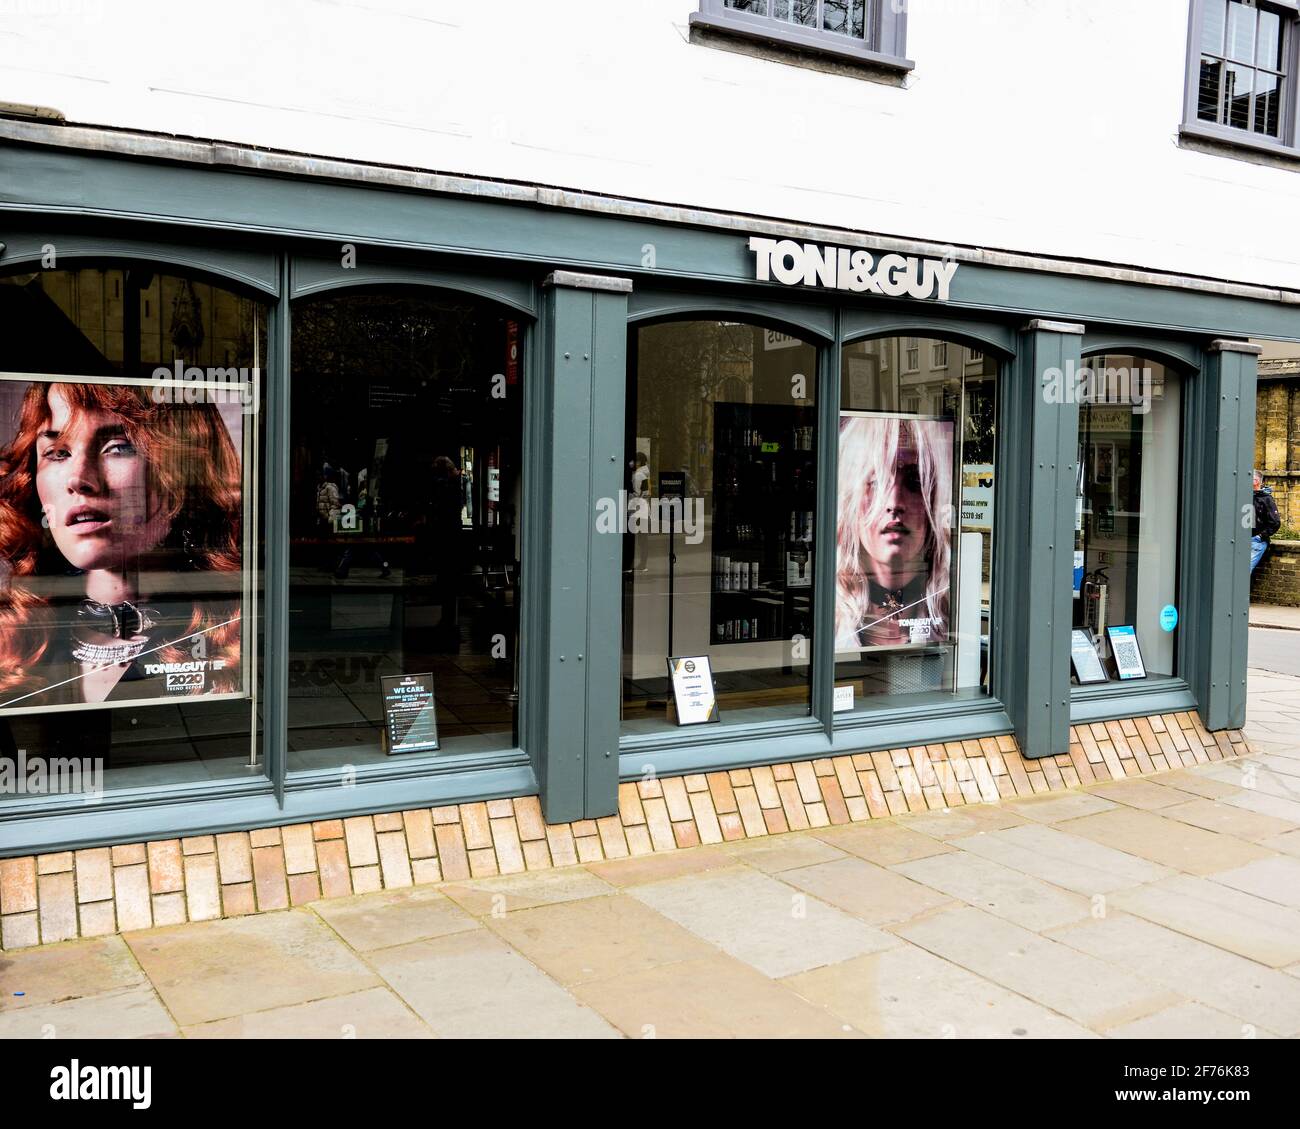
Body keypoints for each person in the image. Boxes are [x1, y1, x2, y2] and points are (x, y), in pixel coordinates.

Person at [0, 380, 243, 708]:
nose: (78, 479)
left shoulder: (241, 637)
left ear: (186, 472)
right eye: (57, 453)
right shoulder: (15, 640)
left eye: (118, 447)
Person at [835, 416, 952, 649]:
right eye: (876, 482)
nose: (894, 502)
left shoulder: (949, 612)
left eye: (914, 481)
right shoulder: (827, 615)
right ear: (850, 499)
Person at [1252, 468, 1281, 574]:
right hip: (1240, 541)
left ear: (1255, 481)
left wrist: (1260, 537)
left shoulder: (1266, 499)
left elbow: (1275, 523)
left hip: (1256, 542)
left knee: (1242, 572)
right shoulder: (1243, 496)